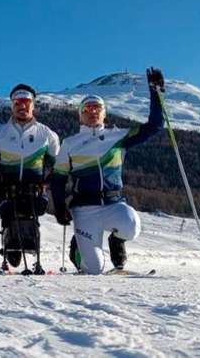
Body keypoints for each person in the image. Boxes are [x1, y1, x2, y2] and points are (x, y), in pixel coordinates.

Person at [51, 68, 165, 274]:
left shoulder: (118, 136)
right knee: (94, 270)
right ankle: (79, 247)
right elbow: (58, 179)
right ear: (80, 115)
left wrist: (155, 93)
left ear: (104, 113)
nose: (93, 112)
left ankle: (117, 239)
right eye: (87, 109)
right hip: (84, 209)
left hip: (114, 204)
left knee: (132, 226)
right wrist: (60, 208)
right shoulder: (70, 144)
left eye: (97, 108)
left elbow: (156, 126)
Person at [0, 84, 60, 272]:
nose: (22, 106)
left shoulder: (47, 134)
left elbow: (59, 167)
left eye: (26, 102)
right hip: (9, 191)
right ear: (11, 106)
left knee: (35, 211)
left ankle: (33, 247)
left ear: (33, 105)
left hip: (35, 191)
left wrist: (45, 184)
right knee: (8, 211)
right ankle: (10, 242)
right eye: (17, 102)